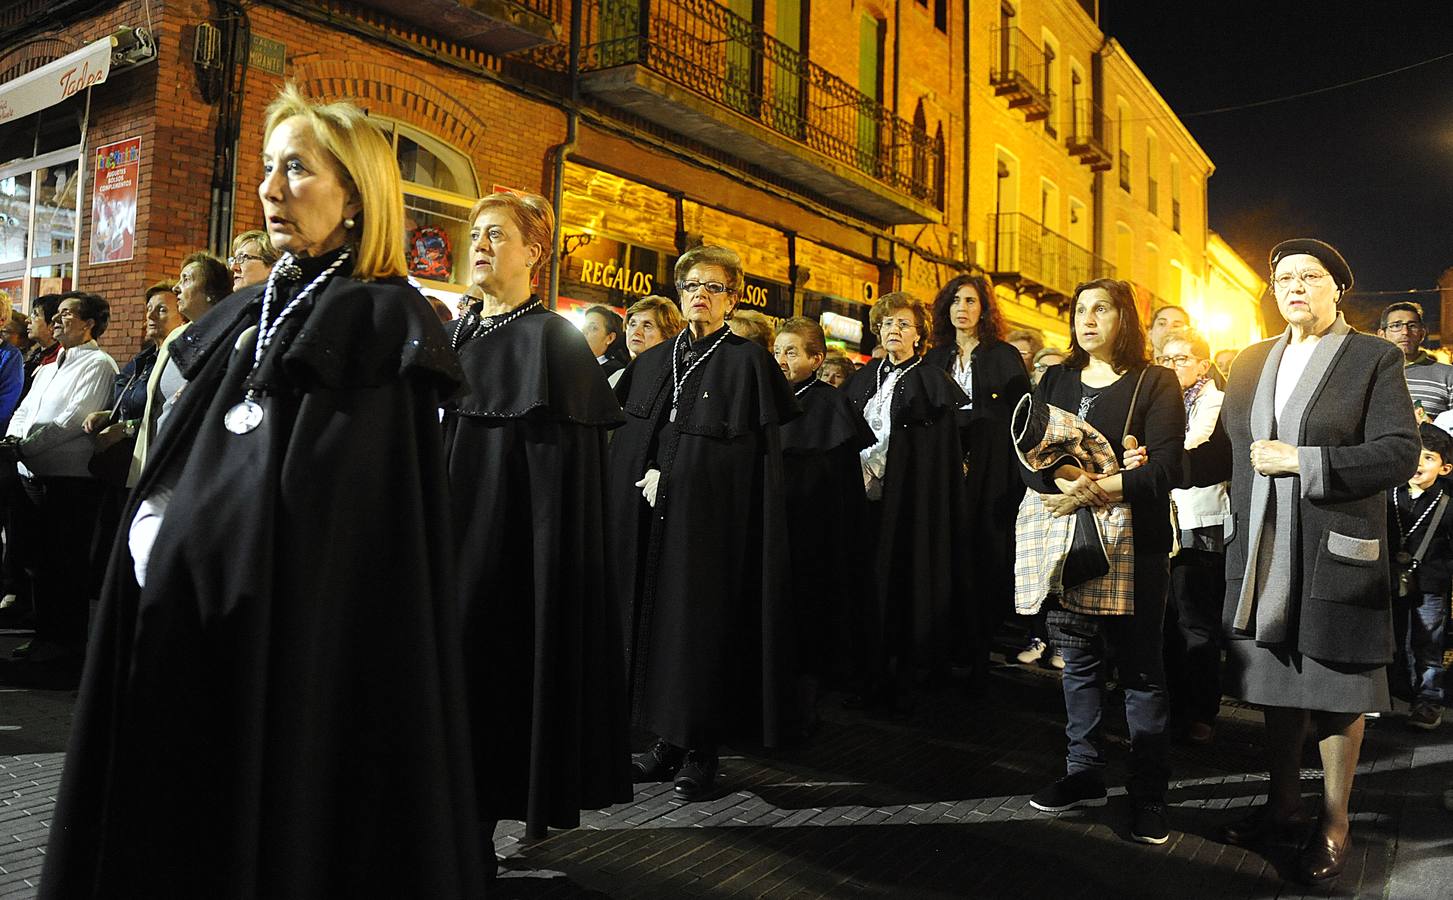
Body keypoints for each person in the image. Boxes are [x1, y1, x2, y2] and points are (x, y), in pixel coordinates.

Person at [40, 86, 485, 898]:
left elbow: (339, 515)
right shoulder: (256, 308)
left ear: (356, 196)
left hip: (292, 634)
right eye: (268, 170)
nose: (272, 189)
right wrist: (158, 524)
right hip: (193, 609)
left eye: (298, 169)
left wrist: (201, 542)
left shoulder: (382, 321)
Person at [1131, 239, 1418, 886]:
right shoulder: (1254, 361)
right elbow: (1229, 453)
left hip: (1332, 551)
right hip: (1261, 552)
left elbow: (1400, 452)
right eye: (1283, 277)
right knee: (1276, 687)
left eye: (1308, 277)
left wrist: (1305, 462)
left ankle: (1334, 821)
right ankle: (1283, 806)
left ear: (1336, 288)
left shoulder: (1370, 358)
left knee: (1337, 690)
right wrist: (1155, 466)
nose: (1293, 287)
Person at [444, 190, 632, 841]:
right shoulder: (453, 331)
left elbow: (557, 491)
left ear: (534, 252)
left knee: (484, 684)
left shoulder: (551, 343)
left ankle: (473, 840)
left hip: (500, 555)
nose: (480, 245)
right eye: (475, 234)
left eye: (496, 234)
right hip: (438, 547)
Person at [608, 244, 797, 801]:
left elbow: (745, 461)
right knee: (654, 623)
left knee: (698, 629)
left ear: (733, 298)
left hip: (709, 528)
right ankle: (664, 740)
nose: (701, 296)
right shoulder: (654, 359)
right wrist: (643, 473)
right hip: (650, 519)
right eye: (692, 286)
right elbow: (634, 435)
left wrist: (683, 479)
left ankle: (701, 750)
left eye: (714, 287)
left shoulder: (748, 362)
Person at [1024, 278, 1184, 848]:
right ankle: (1083, 773)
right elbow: (1028, 456)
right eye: (1080, 310)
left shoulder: (1154, 381)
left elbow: (1165, 470)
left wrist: (1102, 486)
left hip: (1134, 546)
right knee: (1080, 664)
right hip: (1069, 540)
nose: (1087, 319)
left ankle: (1148, 794)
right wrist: (1080, 481)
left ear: (1125, 319)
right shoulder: (1056, 378)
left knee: (1141, 673)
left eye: (1101, 309)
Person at [841, 291, 970, 711]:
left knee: (899, 579)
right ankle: (862, 667)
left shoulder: (929, 381)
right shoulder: (864, 378)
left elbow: (932, 458)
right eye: (886, 324)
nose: (893, 331)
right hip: (862, 502)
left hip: (908, 504)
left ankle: (901, 674)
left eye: (903, 325)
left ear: (920, 335)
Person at [0, 292, 118, 688]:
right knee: (40, 561)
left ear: (88, 324)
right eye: (57, 315)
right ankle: (44, 638)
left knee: (64, 564)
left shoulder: (99, 364)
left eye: (67, 314)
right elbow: (23, 410)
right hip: (33, 475)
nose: (57, 321)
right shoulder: (50, 364)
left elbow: (73, 420)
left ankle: (65, 645)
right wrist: (14, 442)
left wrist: (25, 446)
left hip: (69, 480)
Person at [924, 272, 1030, 686]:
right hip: (946, 470)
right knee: (945, 553)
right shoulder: (935, 359)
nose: (962, 309)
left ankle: (979, 651)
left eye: (970, 301)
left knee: (984, 555)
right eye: (955, 301)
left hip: (991, 471)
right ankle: (942, 645)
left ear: (983, 308)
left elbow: (1023, 416)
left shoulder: (1002, 355)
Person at [773, 316, 873, 730]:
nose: (780, 359)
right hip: (775, 528)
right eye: (776, 350)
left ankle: (803, 705)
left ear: (816, 359)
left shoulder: (829, 404)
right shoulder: (768, 396)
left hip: (813, 534)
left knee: (808, 620)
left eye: (791, 352)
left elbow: (840, 487)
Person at [1156, 330, 1230, 745]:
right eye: (1166, 359)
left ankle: (1202, 711)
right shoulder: (1162, 403)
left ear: (1203, 365)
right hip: (1162, 521)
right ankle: (1172, 704)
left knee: (1195, 621)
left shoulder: (1214, 402)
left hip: (1199, 523)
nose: (1172, 366)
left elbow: (1193, 450)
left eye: (1182, 359)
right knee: (1165, 621)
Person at [1386, 422, 1452, 731]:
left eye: (1429, 458)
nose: (1419, 464)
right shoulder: (1390, 495)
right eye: (1415, 455)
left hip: (1431, 584)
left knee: (1428, 642)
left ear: (1445, 468)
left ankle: (1429, 700)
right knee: (1392, 636)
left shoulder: (1447, 504)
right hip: (1391, 580)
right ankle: (1393, 690)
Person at [1378, 301, 1453, 421]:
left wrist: (1432, 429)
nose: (1405, 332)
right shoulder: (1369, 375)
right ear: (1382, 335)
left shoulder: (1448, 376)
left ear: (1422, 333)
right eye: (1396, 325)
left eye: (1412, 326)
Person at [623, 295, 685, 359]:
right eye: (633, 324)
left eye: (647, 326)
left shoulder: (676, 368)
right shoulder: (623, 369)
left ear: (667, 335)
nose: (636, 332)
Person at [582, 304, 629, 379]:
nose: (584, 331)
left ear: (610, 338)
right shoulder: (573, 363)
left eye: (593, 328)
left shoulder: (616, 373)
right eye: (583, 326)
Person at [23, 294, 61, 384]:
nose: (27, 320)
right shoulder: (36, 355)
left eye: (35, 315)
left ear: (52, 324)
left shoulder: (60, 359)